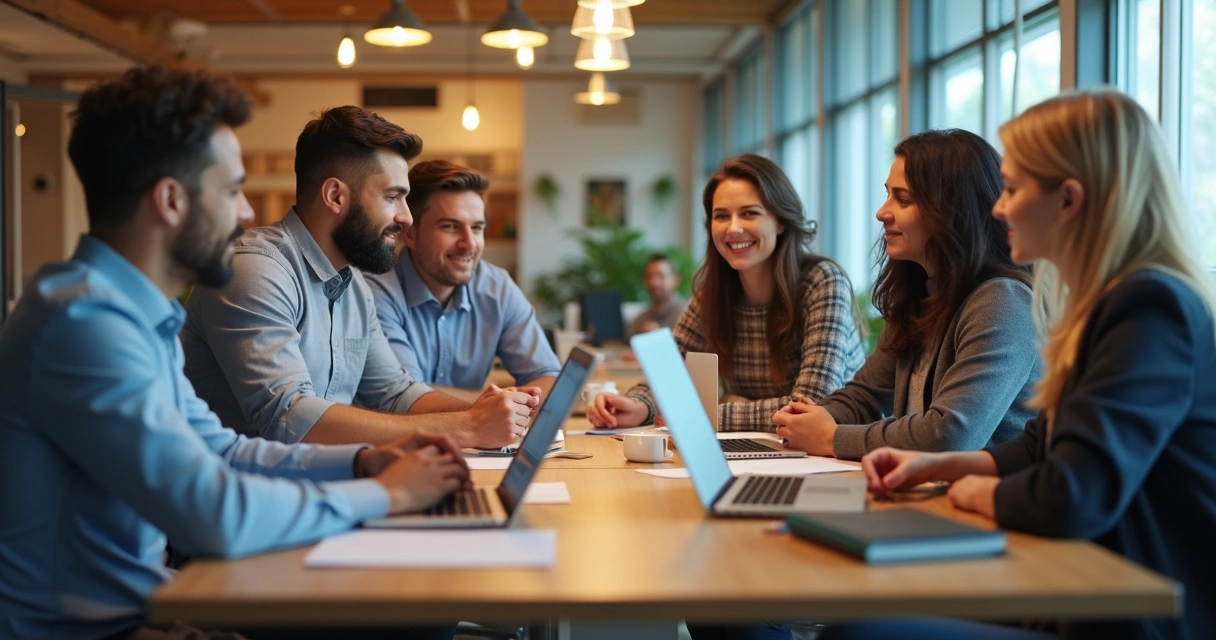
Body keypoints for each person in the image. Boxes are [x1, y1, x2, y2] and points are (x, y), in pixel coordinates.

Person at [0, 66, 467, 640]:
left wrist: (360, 462)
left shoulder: (134, 315)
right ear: (170, 200)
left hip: (146, 611)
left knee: (420, 615)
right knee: (415, 622)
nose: (247, 212)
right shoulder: (85, 326)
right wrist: (381, 493)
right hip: (95, 631)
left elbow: (221, 450)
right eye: (230, 190)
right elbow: (213, 515)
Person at [826, 91, 1216, 640]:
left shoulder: (1149, 308)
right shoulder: (1107, 301)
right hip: (1078, 590)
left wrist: (975, 492)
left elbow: (1071, 495)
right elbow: (1042, 444)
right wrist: (937, 467)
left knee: (862, 631)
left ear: (1069, 200)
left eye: (1011, 189)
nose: (998, 207)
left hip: (1125, 616)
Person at [181, 107, 537, 448]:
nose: (407, 217)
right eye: (393, 197)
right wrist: (469, 427)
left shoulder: (353, 285)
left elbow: (395, 393)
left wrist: (489, 412)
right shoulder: (255, 269)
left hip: (313, 483)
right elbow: (288, 417)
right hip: (237, 495)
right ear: (335, 196)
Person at [771, 130, 1039, 461]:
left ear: (951, 211)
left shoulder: (1003, 302)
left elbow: (950, 435)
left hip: (981, 503)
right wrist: (814, 419)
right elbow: (865, 394)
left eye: (903, 199)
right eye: (887, 195)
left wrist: (832, 438)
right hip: (930, 491)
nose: (882, 212)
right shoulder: (920, 292)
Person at [588, 154, 865, 432]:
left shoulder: (823, 283)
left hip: (836, 459)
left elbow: (809, 407)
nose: (733, 228)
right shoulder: (715, 292)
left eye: (749, 213)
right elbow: (670, 370)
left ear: (781, 221)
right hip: (764, 447)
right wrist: (639, 405)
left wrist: (715, 412)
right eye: (722, 216)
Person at [365, 160, 560, 404]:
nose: (469, 244)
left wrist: (505, 404)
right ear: (410, 234)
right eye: (450, 227)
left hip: (475, 441)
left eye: (477, 228)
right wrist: (497, 403)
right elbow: (404, 397)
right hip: (396, 441)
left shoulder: (497, 288)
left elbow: (549, 378)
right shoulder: (374, 292)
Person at [627, 253, 688, 336]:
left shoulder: (688, 317)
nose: (654, 283)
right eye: (649, 276)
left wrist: (660, 340)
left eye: (661, 276)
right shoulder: (640, 320)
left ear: (676, 280)